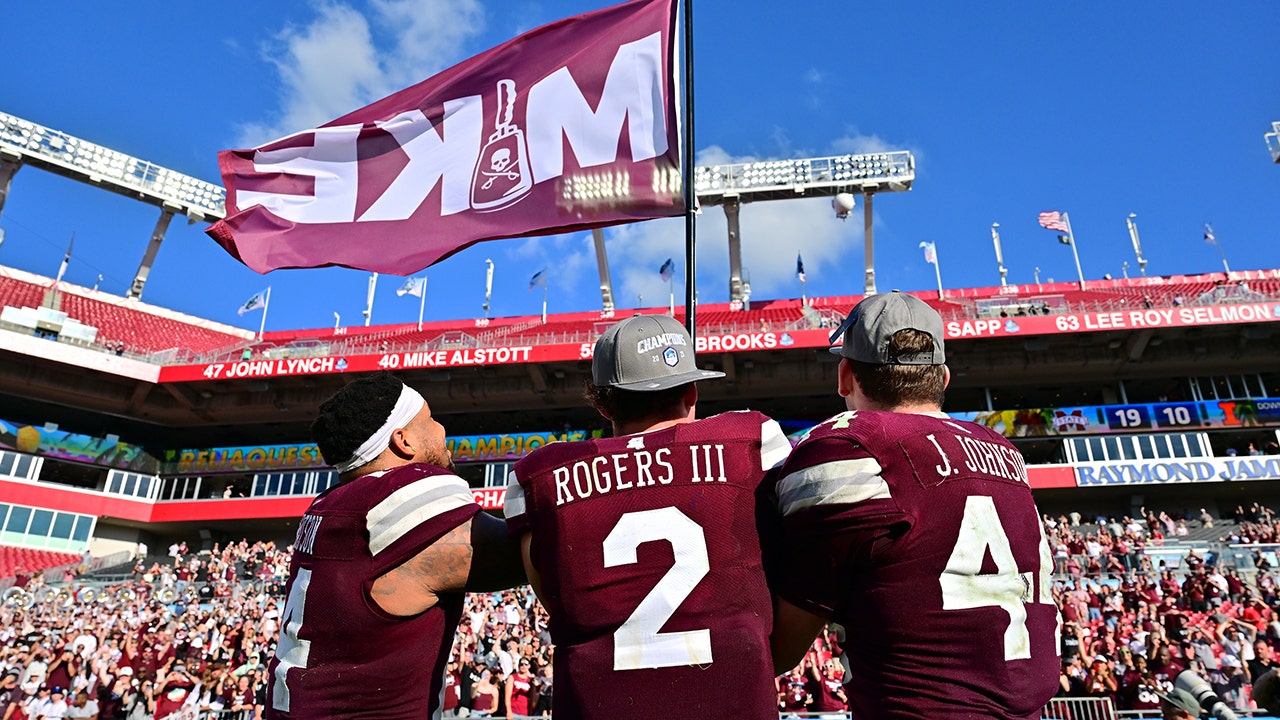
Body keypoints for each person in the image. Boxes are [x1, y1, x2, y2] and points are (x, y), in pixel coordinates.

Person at [769, 291, 1061, 719]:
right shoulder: (1004, 450)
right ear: (943, 378)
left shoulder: (848, 445)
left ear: (845, 376)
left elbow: (783, 647)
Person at [504, 314, 791, 720]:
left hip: (600, 704)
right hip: (732, 701)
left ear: (603, 405)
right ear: (692, 392)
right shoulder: (750, 440)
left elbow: (555, 595)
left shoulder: (540, 475)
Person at [265, 373, 526, 719]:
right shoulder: (398, 494)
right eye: (431, 419)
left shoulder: (329, 504)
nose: (442, 430)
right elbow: (529, 554)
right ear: (403, 441)